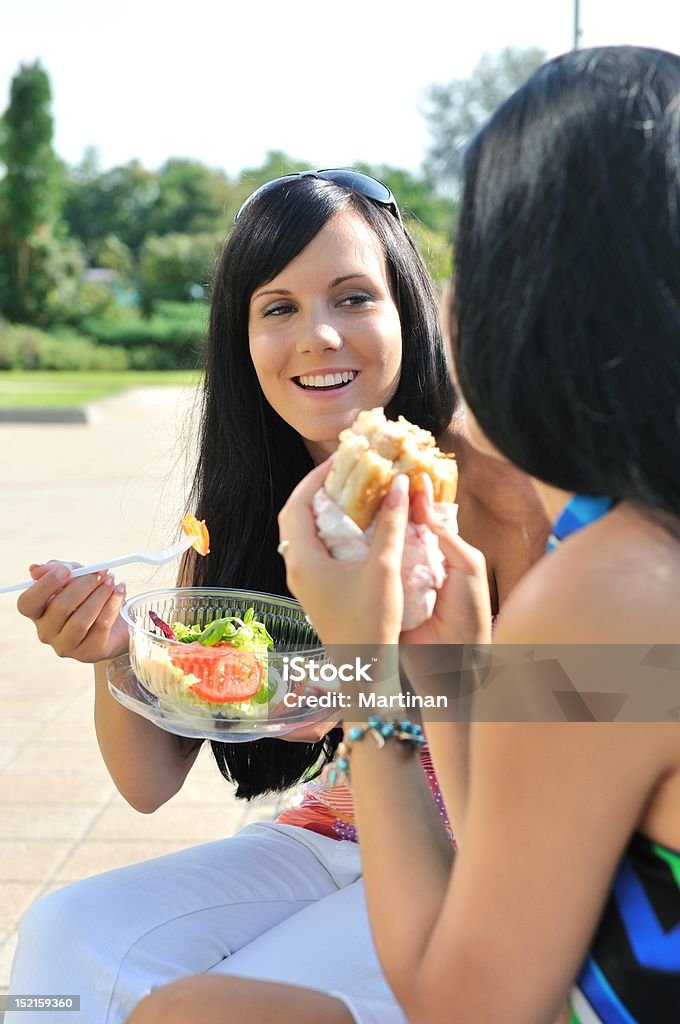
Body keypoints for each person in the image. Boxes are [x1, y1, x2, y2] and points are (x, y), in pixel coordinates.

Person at [11, 170, 547, 1024]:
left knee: (218, 1006)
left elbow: (624, 683)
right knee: (68, 941)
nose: (319, 335)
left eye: (353, 297)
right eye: (279, 308)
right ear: (241, 337)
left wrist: (359, 685)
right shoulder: (244, 506)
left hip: (491, 852)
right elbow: (148, 783)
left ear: (406, 310)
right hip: (333, 831)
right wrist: (113, 651)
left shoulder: (493, 483)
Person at [268, 46, 680, 1024]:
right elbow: (524, 833)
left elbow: (467, 1008)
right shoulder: (624, 554)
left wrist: (362, 668)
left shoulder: (615, 587)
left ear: (497, 311)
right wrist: (451, 669)